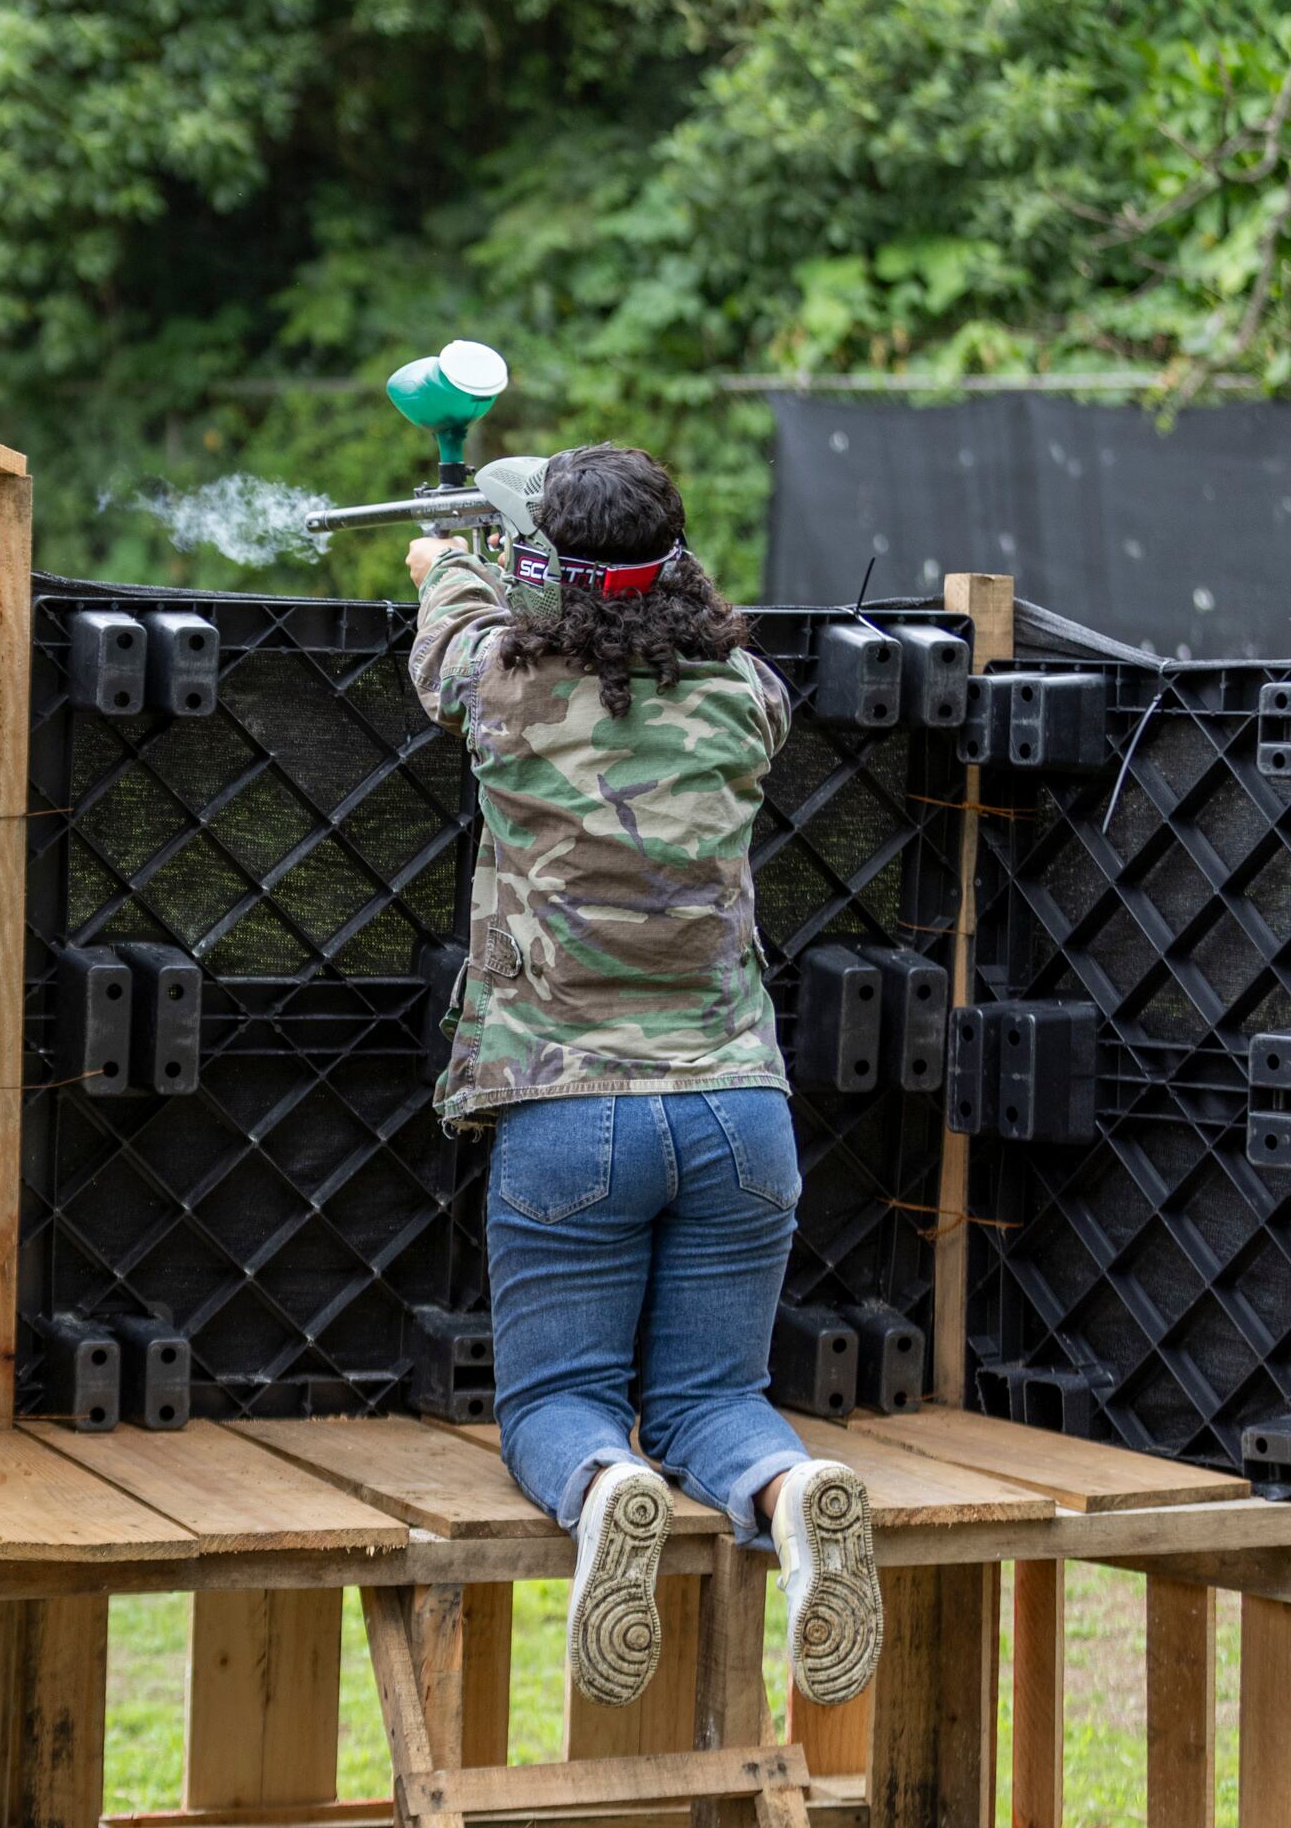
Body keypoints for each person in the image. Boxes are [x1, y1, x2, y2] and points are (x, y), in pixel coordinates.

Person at [406, 444, 882, 1711]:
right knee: (715, 1397)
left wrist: (451, 561)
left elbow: (445, 644)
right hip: (741, 1111)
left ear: (543, 572)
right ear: (675, 559)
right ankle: (790, 1488)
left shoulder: (500, 683)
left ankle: (605, 1483)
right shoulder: (747, 692)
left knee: (558, 1401)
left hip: (571, 1115)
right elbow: (666, 604)